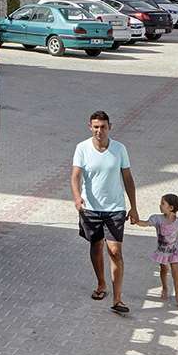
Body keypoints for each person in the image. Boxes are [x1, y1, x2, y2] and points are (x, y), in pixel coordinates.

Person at [70, 111, 140, 315]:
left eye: (103, 127)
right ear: (90, 127)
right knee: (96, 246)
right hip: (90, 208)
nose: (99, 131)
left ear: (110, 127)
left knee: (115, 251)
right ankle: (101, 284)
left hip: (115, 208)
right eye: (96, 127)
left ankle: (118, 299)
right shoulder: (82, 148)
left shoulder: (119, 149)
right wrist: (77, 197)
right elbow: (75, 176)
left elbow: (128, 178)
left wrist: (134, 207)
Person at [138, 193, 178, 308]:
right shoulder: (157, 219)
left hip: (175, 252)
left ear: (171, 207)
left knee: (176, 274)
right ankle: (165, 287)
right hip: (163, 252)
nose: (160, 205)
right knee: (163, 270)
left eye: (162, 203)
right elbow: (146, 223)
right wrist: (136, 221)